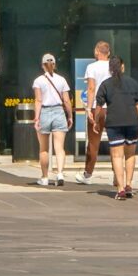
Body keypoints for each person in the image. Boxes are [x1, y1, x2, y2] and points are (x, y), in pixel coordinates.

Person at [92, 55, 138, 201]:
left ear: (110, 68)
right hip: (132, 122)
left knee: (117, 155)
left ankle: (120, 188)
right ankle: (129, 185)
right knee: (130, 154)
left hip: (114, 123)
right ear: (122, 67)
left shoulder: (105, 84)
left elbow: (99, 106)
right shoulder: (133, 83)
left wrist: (96, 121)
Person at [30, 54, 73, 187]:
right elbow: (66, 100)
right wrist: (70, 116)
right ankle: (60, 173)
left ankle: (44, 177)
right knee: (59, 148)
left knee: (44, 149)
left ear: (42, 65)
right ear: (54, 64)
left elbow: (38, 100)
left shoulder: (38, 81)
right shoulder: (62, 80)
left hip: (44, 112)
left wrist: (36, 117)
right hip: (59, 112)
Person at [78, 39, 113, 185]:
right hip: (112, 107)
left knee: (93, 142)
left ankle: (88, 173)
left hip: (97, 107)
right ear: (109, 53)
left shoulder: (91, 67)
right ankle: (118, 174)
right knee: (115, 142)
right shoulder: (113, 67)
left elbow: (91, 88)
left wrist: (89, 108)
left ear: (96, 52)